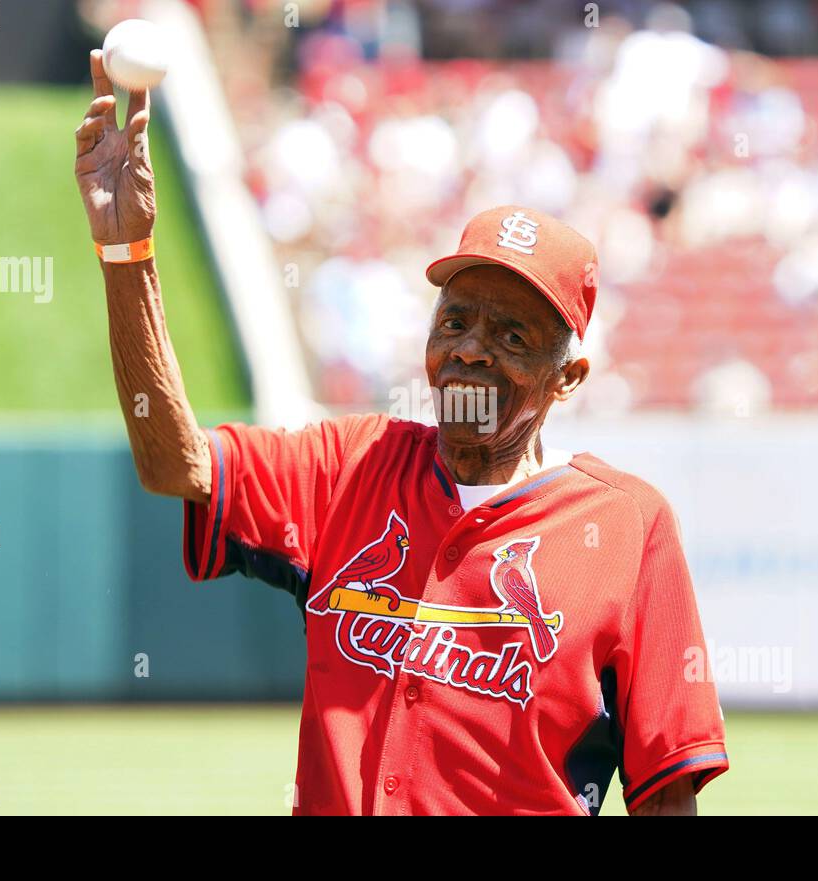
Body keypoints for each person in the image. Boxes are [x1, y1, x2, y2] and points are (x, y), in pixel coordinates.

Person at [74, 50, 728, 815]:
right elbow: (174, 465)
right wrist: (127, 254)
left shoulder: (628, 527)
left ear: (568, 378)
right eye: (455, 320)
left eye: (512, 335)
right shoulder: (348, 464)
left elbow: (666, 798)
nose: (471, 348)